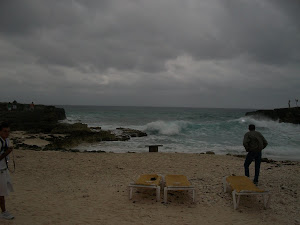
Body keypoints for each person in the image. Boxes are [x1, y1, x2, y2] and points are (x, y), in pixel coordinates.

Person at [0, 122, 14, 220]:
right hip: (0, 170)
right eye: (5, 131)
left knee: (3, 191)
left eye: (8, 131)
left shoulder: (6, 140)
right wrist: (7, 153)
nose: (7, 133)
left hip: (4, 169)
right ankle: (4, 212)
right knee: (1, 193)